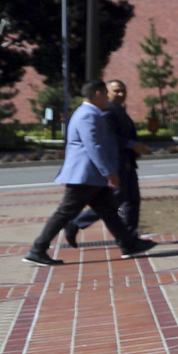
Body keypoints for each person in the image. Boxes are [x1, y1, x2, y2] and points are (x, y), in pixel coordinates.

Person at [25, 81, 157, 266]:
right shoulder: (88, 115)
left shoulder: (90, 113)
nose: (108, 99)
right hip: (86, 175)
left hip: (91, 176)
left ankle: (128, 244)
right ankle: (37, 249)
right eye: (106, 94)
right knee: (65, 213)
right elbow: (94, 147)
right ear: (98, 94)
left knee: (109, 211)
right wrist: (109, 172)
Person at [65, 79, 148, 247]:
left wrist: (134, 150)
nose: (121, 94)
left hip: (127, 161)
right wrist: (133, 145)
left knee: (132, 201)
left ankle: (130, 238)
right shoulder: (107, 112)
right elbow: (109, 139)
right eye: (116, 91)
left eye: (123, 91)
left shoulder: (119, 110)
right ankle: (76, 223)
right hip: (116, 163)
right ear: (106, 93)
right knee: (115, 201)